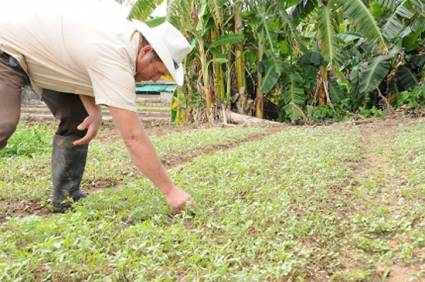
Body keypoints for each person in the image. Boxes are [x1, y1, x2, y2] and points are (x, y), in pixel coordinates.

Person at [0, 0, 193, 212]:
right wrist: (170, 190)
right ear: (145, 51)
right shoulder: (116, 54)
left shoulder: (120, 39)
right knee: (4, 123)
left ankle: (66, 197)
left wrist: (93, 109)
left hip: (39, 58)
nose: (156, 79)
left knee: (79, 117)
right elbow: (133, 137)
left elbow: (77, 61)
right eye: (158, 71)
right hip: (7, 45)